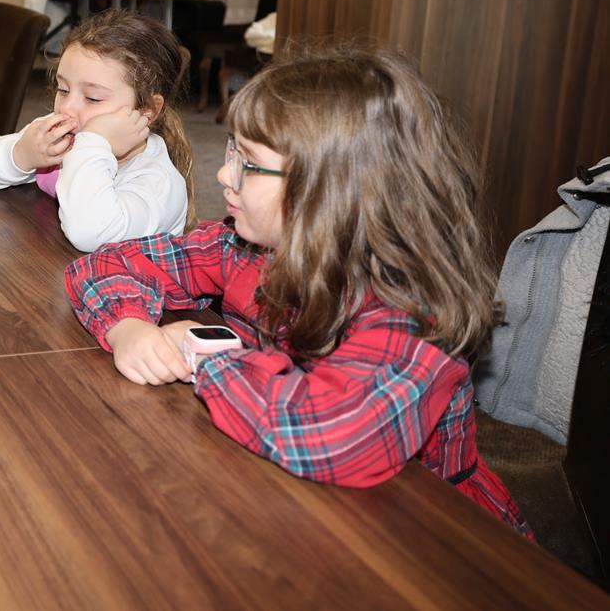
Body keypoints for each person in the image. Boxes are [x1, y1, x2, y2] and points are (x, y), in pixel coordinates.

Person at [63, 42, 531, 536]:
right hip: (293, 501)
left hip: (435, 537)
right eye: (230, 153)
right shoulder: (245, 248)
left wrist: (202, 356)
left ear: (330, 191)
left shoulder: (413, 315)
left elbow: (329, 435)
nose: (223, 174)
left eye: (249, 162)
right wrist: (128, 326)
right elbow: (106, 264)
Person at [0, 9, 193, 251]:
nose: (67, 107)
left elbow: (89, 233)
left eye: (92, 98)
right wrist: (21, 155)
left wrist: (93, 144)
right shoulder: (66, 137)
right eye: (63, 90)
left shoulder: (159, 185)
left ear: (147, 110)